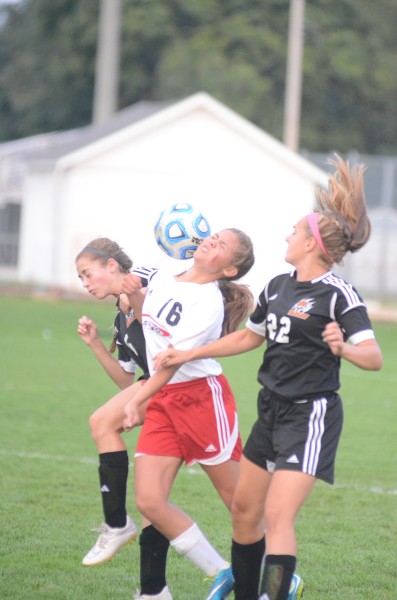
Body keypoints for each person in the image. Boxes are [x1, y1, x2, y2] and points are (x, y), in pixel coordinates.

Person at [153, 156, 383, 600]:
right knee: (243, 511)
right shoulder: (278, 285)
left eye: (295, 231)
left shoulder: (338, 294)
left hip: (309, 415)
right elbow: (248, 339)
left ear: (313, 245)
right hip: (270, 412)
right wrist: (191, 352)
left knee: (277, 517)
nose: (287, 235)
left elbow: (373, 357)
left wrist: (343, 348)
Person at [122, 228, 255, 600]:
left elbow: (168, 363)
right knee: (149, 501)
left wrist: (136, 400)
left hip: (201, 402)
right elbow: (145, 314)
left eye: (222, 245)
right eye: (213, 236)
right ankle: (219, 572)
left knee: (241, 504)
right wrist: (129, 289)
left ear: (229, 270)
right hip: (165, 401)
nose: (211, 240)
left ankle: (279, 571)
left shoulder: (208, 303)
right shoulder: (167, 274)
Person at [76, 239, 173, 597]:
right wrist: (96, 345)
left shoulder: (148, 280)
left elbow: (171, 323)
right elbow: (126, 379)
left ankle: (117, 524)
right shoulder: (120, 315)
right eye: (81, 277)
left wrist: (141, 298)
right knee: (153, 501)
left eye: (88, 273)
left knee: (101, 422)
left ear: (112, 266)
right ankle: (154, 590)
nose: (85, 283)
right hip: (156, 386)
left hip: (181, 383)